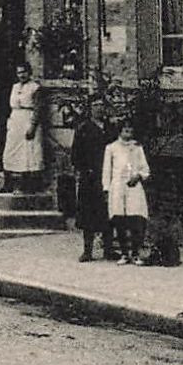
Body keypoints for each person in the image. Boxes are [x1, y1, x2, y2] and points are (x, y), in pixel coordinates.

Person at [69, 100, 116, 262]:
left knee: (108, 211)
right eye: (95, 105)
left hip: (108, 176)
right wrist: (85, 169)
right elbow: (75, 154)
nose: (99, 108)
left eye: (102, 105)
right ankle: (87, 250)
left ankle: (108, 249)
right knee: (88, 213)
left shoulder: (111, 129)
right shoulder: (84, 129)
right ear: (90, 108)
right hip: (90, 178)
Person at [102, 121, 151, 265]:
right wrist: (106, 189)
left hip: (134, 186)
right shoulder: (111, 148)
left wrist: (138, 176)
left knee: (137, 218)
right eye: (125, 130)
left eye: (130, 130)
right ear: (120, 132)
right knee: (119, 220)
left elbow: (145, 168)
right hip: (117, 186)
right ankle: (124, 254)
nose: (128, 133)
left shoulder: (137, 148)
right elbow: (107, 170)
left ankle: (135, 254)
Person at [2, 69, 44, 192]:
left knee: (28, 153)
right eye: (19, 73)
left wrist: (32, 126)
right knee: (10, 151)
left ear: (29, 73)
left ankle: (28, 186)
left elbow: (38, 108)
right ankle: (7, 184)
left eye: (24, 72)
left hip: (28, 119)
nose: (22, 75)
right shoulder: (14, 87)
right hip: (15, 120)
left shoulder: (35, 87)